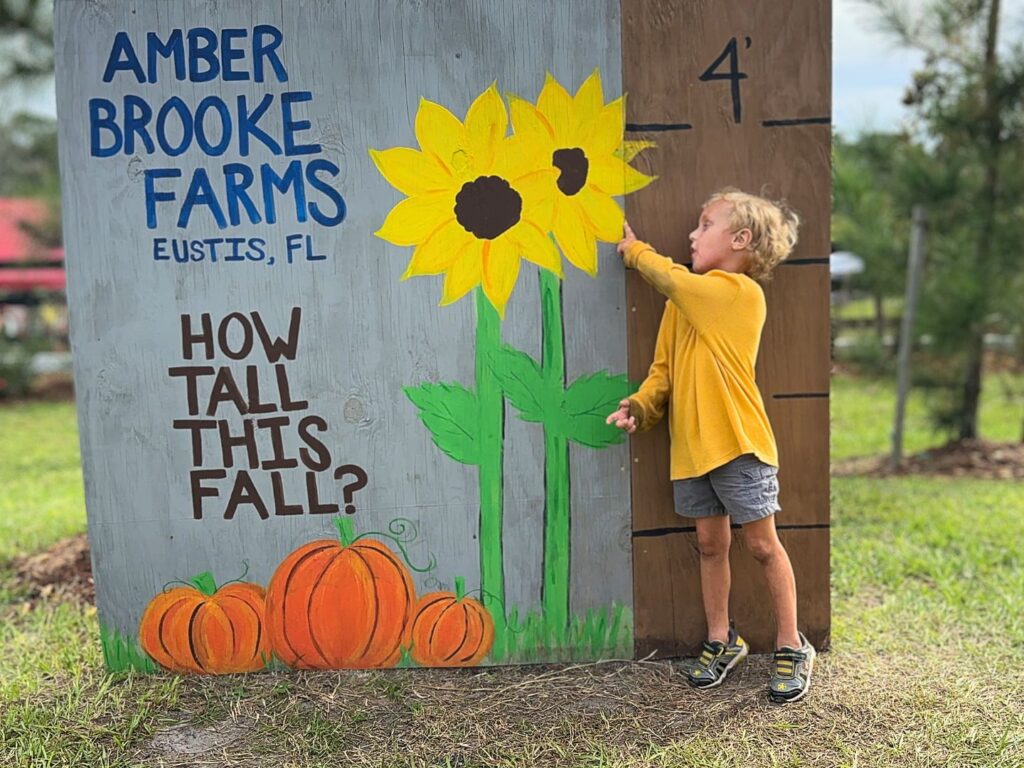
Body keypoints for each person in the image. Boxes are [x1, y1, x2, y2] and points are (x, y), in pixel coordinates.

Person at [606, 188, 814, 703]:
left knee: (762, 544)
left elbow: (672, 277)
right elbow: (664, 372)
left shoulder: (739, 293)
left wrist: (637, 253)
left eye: (705, 225)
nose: (693, 235)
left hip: (740, 445)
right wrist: (641, 406)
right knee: (709, 545)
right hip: (693, 450)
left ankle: (792, 643)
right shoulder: (683, 305)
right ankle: (723, 639)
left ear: (741, 240)